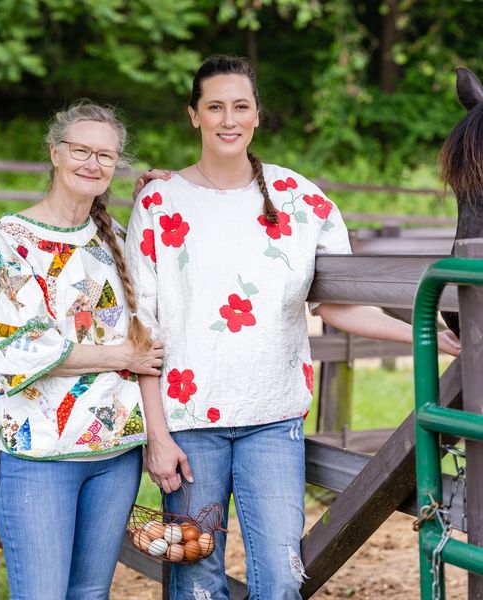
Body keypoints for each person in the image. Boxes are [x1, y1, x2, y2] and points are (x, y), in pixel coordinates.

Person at [124, 55, 460, 600]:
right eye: (214, 107)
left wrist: (431, 336)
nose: (227, 119)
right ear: (194, 116)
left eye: (240, 106)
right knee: (194, 578)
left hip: (273, 420)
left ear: (257, 115)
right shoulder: (160, 203)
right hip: (188, 424)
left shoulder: (302, 202)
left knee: (280, 578)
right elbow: (144, 327)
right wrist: (157, 436)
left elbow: (338, 305)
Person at [0, 100, 163, 600]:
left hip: (113, 451)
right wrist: (122, 355)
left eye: (106, 155)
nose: (92, 163)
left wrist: (166, 198)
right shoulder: (14, 238)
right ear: (55, 153)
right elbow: (10, 347)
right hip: (38, 454)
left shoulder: (114, 237)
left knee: (90, 594)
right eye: (80, 150)